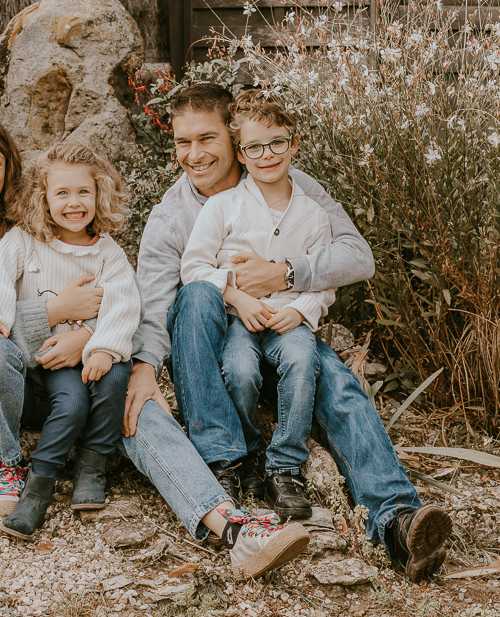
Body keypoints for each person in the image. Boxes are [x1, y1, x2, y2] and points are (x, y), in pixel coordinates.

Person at [0, 112, 310, 578]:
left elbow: (124, 305)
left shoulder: (48, 214)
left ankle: (230, 527)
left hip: (81, 375)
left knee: (140, 408)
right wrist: (56, 311)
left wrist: (90, 338)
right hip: (2, 387)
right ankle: (11, 464)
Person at [128, 85, 453, 582]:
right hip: (214, 347)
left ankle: (396, 520)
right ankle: (225, 462)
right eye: (182, 142)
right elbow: (154, 301)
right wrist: (145, 367)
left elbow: (356, 256)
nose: (194, 155)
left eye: (207, 138)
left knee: (338, 384)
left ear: (234, 140)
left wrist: (285, 274)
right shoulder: (171, 215)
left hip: (283, 323)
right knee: (195, 295)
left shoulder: (290, 182)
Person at [0, 143, 139, 539]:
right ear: (43, 199)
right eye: (62, 193)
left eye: (83, 192)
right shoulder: (24, 241)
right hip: (53, 357)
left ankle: (92, 469)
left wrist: (103, 347)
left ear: (99, 194)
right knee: (73, 402)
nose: (73, 203)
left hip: (97, 350)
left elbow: (125, 303)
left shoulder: (107, 253)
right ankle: (38, 487)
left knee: (115, 379)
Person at [180, 89, 335, 520]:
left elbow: (324, 282)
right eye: (254, 147)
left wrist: (301, 311)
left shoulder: (314, 214)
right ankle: (247, 451)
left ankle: (284, 467)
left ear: (294, 143)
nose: (267, 155)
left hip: (289, 319)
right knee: (240, 370)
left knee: (302, 363)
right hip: (240, 319)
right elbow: (194, 267)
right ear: (240, 153)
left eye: (277, 143)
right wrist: (235, 296)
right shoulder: (223, 206)